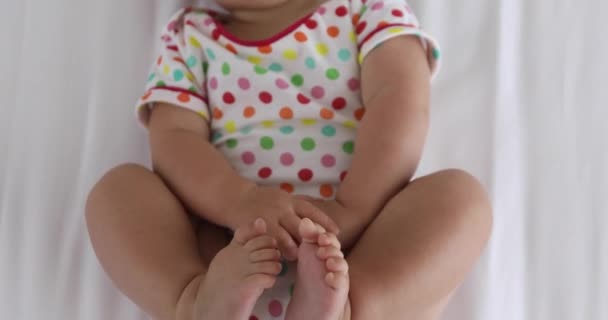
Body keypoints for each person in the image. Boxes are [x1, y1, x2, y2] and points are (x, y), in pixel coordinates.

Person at [85, 0, 493, 319]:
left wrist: (354, 208)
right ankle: (193, 302)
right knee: (118, 193)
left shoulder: (366, 11)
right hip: (227, 246)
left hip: (361, 242)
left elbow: (400, 100)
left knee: (461, 200)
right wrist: (239, 201)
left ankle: (349, 309)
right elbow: (174, 138)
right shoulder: (189, 36)